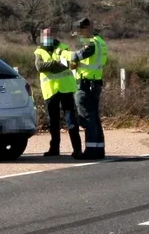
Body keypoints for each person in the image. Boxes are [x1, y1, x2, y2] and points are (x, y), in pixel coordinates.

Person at [62, 17, 108, 159]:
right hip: (94, 83)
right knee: (94, 118)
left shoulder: (92, 44)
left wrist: (62, 54)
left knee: (87, 118)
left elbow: (77, 56)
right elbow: (85, 62)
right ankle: (98, 149)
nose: (78, 36)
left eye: (79, 32)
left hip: (86, 84)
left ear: (86, 29)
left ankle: (90, 150)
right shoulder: (100, 42)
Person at [34, 27, 82, 157]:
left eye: (50, 35)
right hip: (50, 90)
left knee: (71, 121)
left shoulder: (63, 47)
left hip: (65, 88)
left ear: (54, 35)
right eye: (45, 36)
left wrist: (50, 66)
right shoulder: (39, 51)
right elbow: (39, 67)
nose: (48, 38)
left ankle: (77, 149)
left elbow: (66, 64)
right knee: (53, 122)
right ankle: (54, 149)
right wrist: (56, 64)